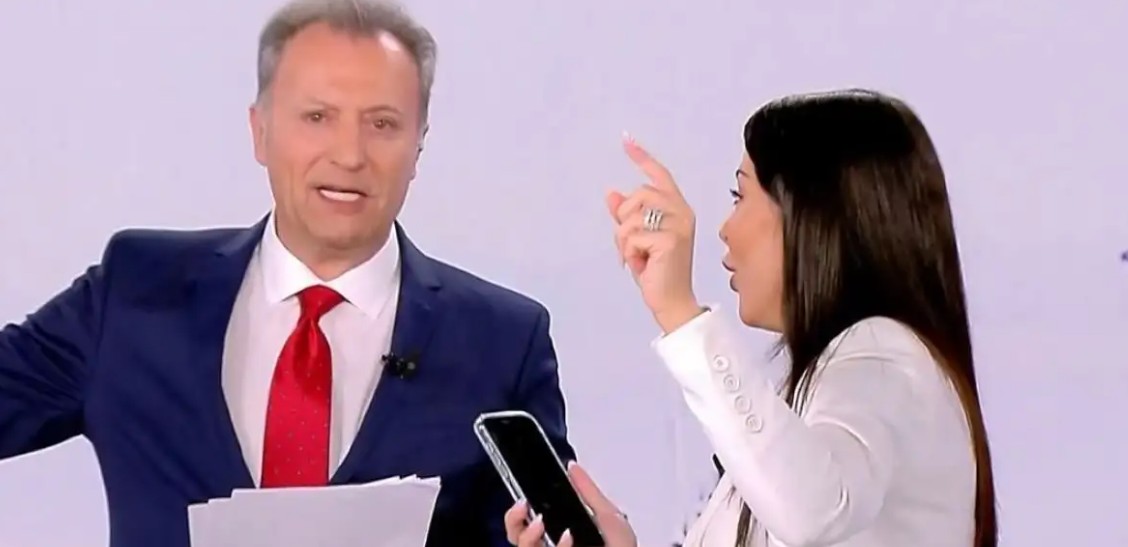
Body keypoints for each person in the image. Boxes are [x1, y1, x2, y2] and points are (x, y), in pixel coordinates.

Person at [0, 1, 573, 546]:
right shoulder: (135, 293)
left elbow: (559, 530)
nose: (349, 155)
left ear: (418, 144)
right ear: (260, 131)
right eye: (318, 117)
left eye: (382, 123)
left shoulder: (502, 343)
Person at [506, 89, 997, 546]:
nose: (725, 229)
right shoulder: (834, 380)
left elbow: (812, 509)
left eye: (739, 196)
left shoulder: (884, 356)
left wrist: (680, 312)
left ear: (812, 216)